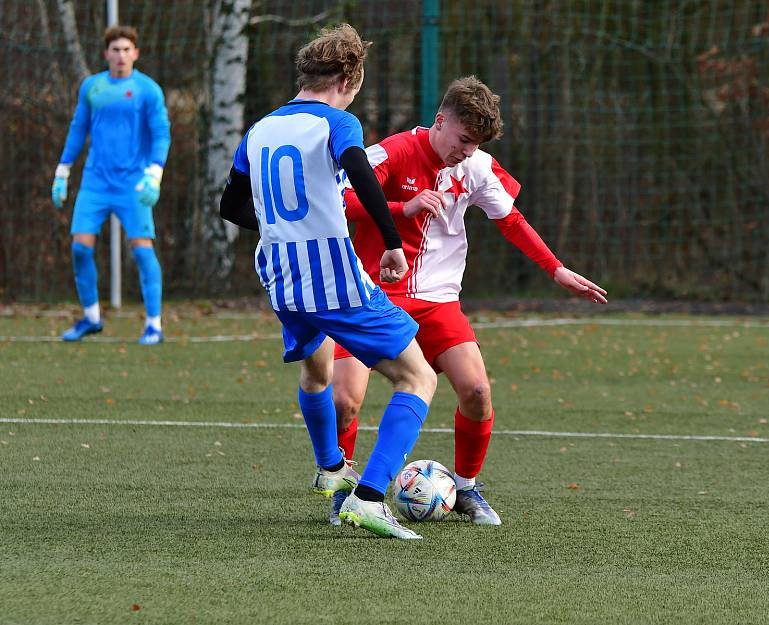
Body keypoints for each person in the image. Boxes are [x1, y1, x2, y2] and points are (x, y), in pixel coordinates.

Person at [329, 75, 608, 525]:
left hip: (438, 300)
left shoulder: (477, 166)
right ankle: (345, 489)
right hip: (372, 295)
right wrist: (404, 208)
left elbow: (511, 221)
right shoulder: (393, 151)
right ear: (440, 121)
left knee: (477, 391)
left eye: (476, 144)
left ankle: (465, 487)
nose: (467, 151)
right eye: (463, 139)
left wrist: (556, 269)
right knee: (344, 400)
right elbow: (340, 199)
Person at [219, 24, 438, 540]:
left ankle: (331, 468)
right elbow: (359, 169)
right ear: (348, 78)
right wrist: (390, 241)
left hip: (278, 274)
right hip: (330, 277)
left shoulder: (260, 129)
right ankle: (367, 499)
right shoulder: (337, 122)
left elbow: (229, 206)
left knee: (317, 369)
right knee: (418, 377)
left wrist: (281, 225)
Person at [51, 25, 171, 345]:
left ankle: (154, 325)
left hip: (133, 184)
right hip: (95, 182)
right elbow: (78, 130)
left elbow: (161, 133)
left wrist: (154, 174)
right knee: (79, 248)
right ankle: (91, 318)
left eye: (126, 50)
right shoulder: (92, 87)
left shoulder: (148, 90)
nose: (120, 56)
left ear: (136, 53)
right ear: (106, 54)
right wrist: (63, 170)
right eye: (115, 50)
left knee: (143, 252)